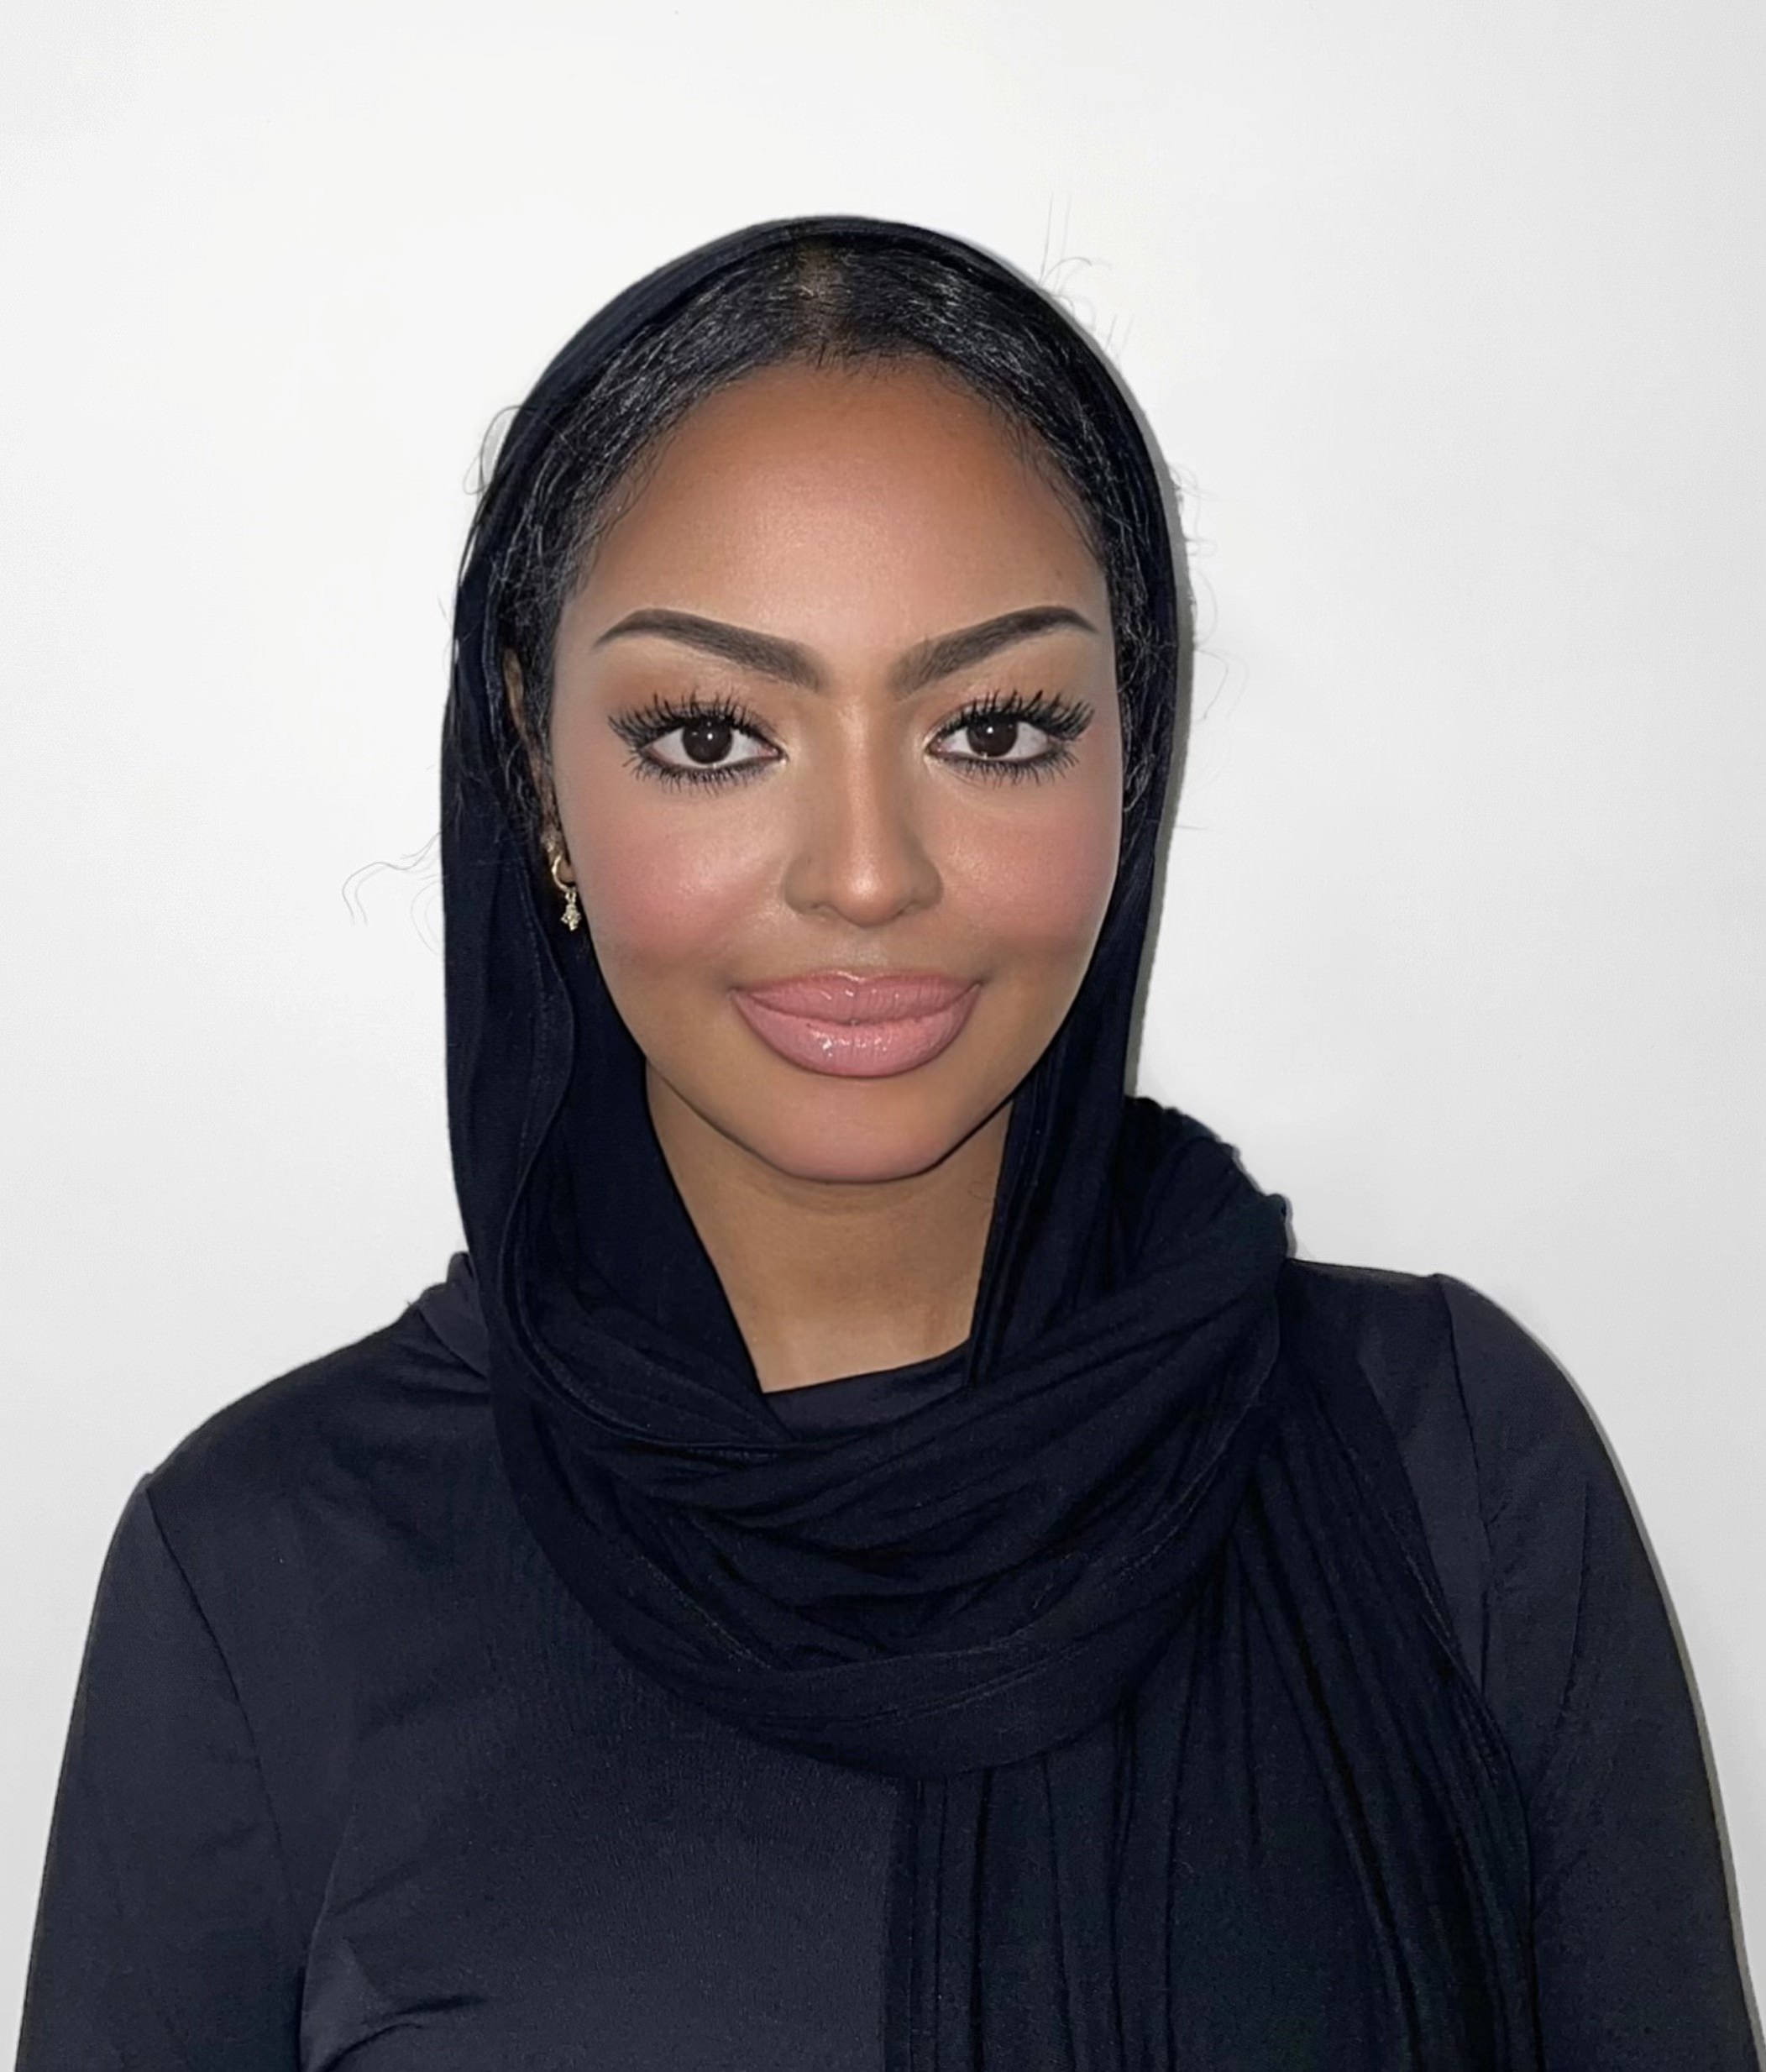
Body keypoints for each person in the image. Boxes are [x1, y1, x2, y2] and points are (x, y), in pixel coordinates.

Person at [15, 214, 1759, 2072]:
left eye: (992, 727)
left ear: (1131, 754)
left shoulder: (1450, 1469)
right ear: (533, 778)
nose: (866, 871)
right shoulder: (269, 1571)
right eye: (708, 735)